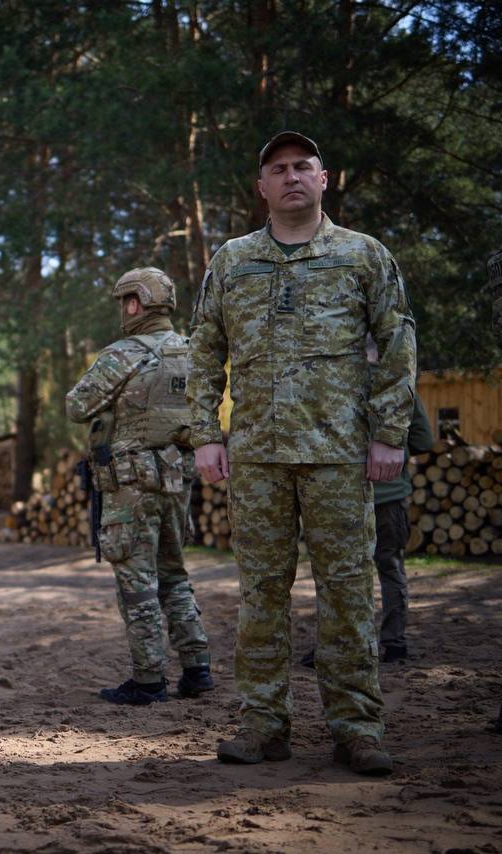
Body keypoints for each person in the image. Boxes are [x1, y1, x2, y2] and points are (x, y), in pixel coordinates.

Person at [188, 131, 417, 776]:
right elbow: (203, 349)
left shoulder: (362, 255)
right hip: (258, 456)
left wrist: (388, 433)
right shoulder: (234, 260)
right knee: (261, 592)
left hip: (339, 454)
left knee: (347, 591)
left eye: (302, 166)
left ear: (324, 178)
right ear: (261, 186)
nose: (291, 176)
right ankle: (263, 724)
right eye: (278, 169)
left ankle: (357, 728)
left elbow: (397, 343)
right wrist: (205, 433)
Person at [65, 267, 213, 705]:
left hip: (131, 484)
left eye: (123, 302)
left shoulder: (124, 354)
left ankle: (149, 679)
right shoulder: (192, 352)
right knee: (174, 573)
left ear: (135, 303)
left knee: (137, 580)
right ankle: (197, 668)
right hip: (176, 479)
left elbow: (77, 406)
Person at [302, 337, 432, 668]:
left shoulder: (332, 382)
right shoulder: (400, 387)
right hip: (389, 493)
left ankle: (335, 643)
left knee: (335, 571)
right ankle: (394, 643)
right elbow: (423, 440)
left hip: (339, 494)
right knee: (390, 567)